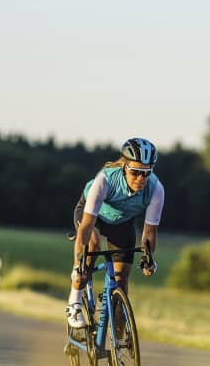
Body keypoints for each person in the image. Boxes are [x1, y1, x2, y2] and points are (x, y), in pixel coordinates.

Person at [66, 137, 163, 328]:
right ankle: (74, 301)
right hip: (93, 215)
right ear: (124, 167)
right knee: (91, 248)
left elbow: (149, 231)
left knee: (121, 280)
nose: (141, 179)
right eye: (135, 172)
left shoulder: (156, 189)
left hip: (121, 222)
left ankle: (119, 335)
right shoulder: (105, 180)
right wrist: (79, 265)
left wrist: (148, 258)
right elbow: (86, 227)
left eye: (146, 173)